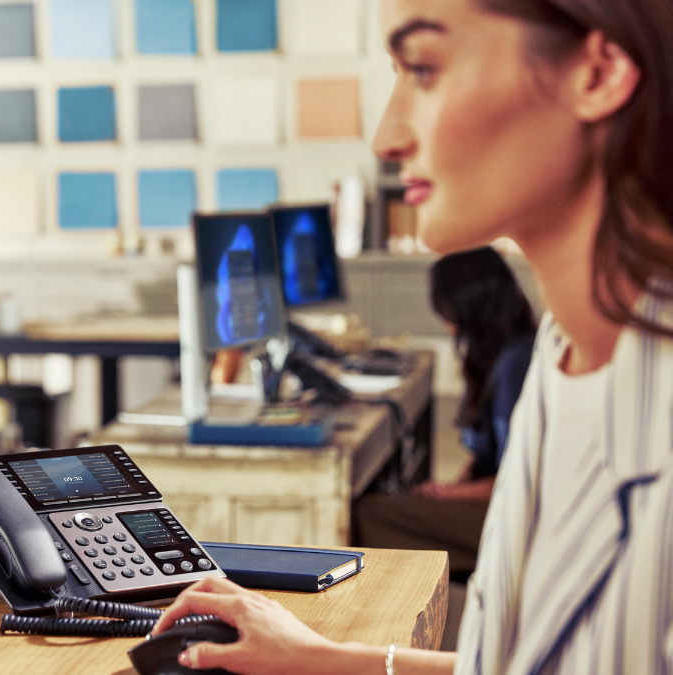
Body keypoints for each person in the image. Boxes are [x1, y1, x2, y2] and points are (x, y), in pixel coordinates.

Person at [153, 0, 673, 672]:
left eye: (423, 68)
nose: (386, 137)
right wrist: (320, 656)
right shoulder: (559, 356)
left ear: (598, 73)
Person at [355, 247, 536, 581]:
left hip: (510, 514)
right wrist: (452, 488)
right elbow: (488, 457)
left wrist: (451, 495)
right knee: (400, 499)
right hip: (492, 499)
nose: (442, 318)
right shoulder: (496, 353)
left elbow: (518, 476)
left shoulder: (514, 364)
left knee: (369, 514)